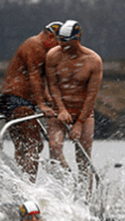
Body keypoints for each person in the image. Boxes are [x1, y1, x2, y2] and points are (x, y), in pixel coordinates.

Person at [0, 21, 62, 183]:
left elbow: (41, 78)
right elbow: (33, 77)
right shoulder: (34, 46)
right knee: (35, 145)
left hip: (12, 100)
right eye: (58, 43)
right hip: (16, 100)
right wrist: (41, 105)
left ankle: (19, 189)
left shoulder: (43, 50)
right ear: (50, 36)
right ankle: (28, 189)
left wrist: (47, 98)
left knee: (22, 147)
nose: (58, 48)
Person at [46, 20, 103, 192]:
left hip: (83, 112)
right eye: (59, 40)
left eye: (65, 41)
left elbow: (92, 95)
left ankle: (86, 198)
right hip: (60, 109)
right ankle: (68, 187)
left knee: (83, 159)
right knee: (54, 149)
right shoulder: (53, 55)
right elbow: (53, 85)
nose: (61, 44)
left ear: (77, 39)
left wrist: (79, 123)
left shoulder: (93, 60)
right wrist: (61, 109)